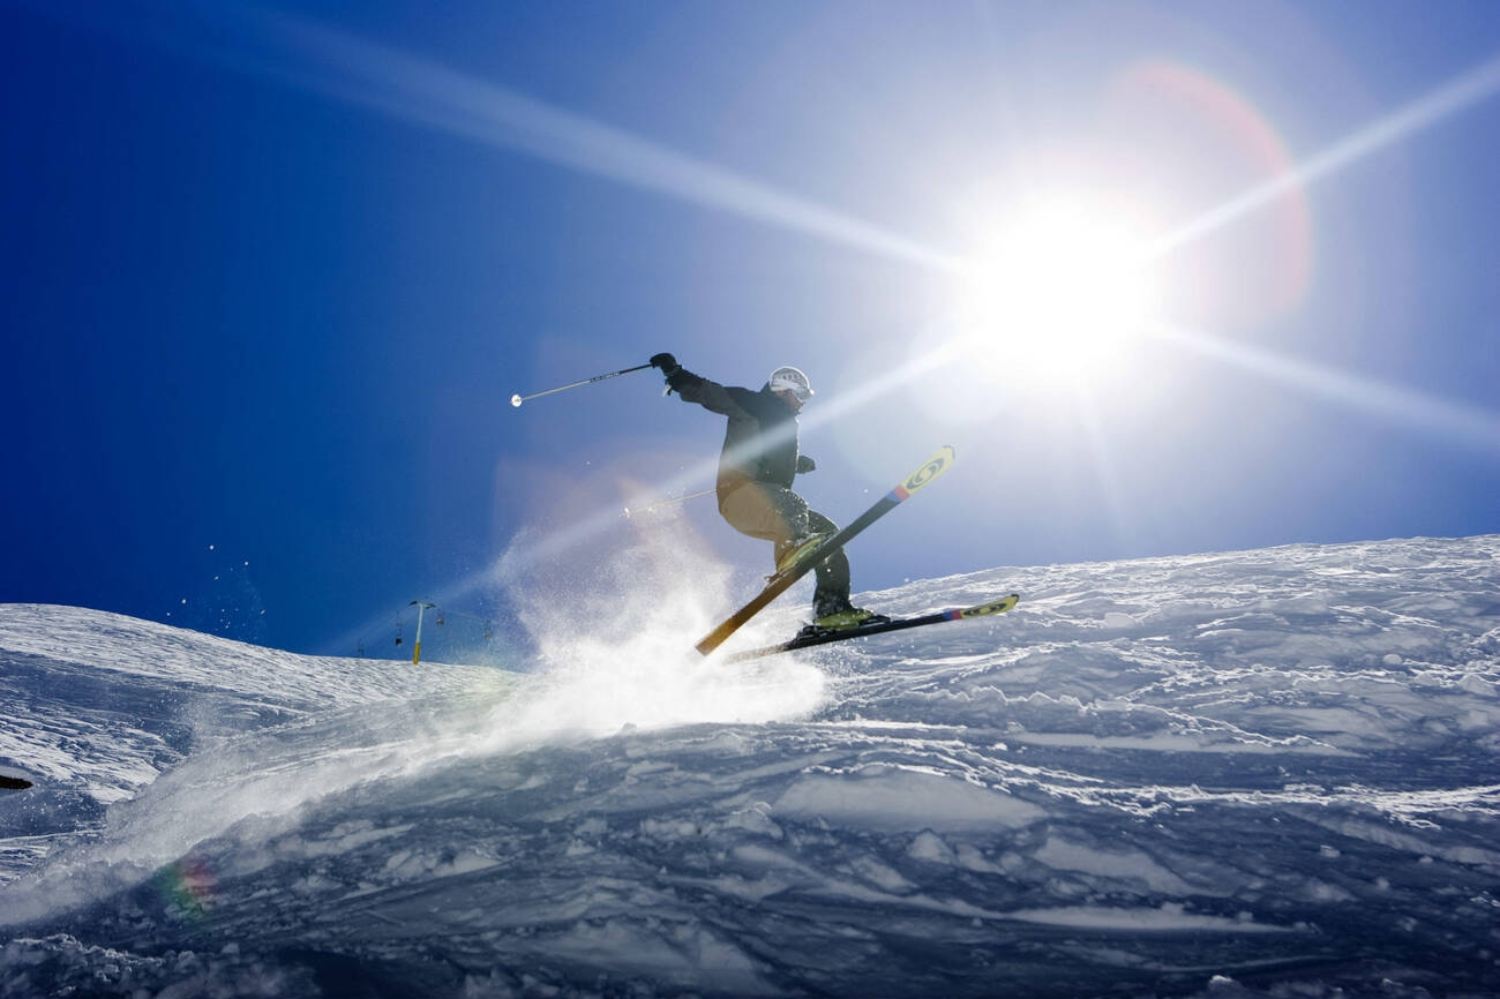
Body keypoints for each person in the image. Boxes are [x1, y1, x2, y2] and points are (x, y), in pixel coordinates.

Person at [649, 352, 886, 631]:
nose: (803, 402)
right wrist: (676, 375)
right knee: (794, 504)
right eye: (801, 395)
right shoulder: (753, 403)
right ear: (784, 390)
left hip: (770, 506)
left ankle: (831, 609)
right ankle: (789, 552)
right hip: (741, 496)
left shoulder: (783, 423)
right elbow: (710, 393)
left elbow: (765, 454)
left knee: (829, 534)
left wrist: (797, 463)